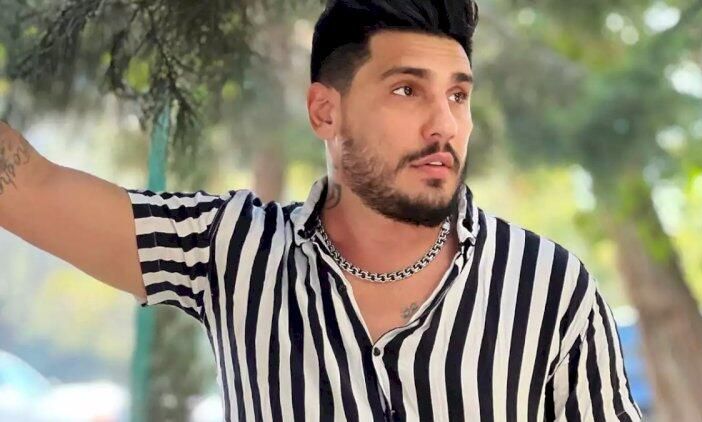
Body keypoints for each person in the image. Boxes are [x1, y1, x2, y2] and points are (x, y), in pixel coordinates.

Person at [0, 0, 642, 420]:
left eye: (457, 96)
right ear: (324, 112)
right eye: (406, 90)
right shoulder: (234, 251)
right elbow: (31, 189)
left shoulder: (550, 288)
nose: (444, 124)